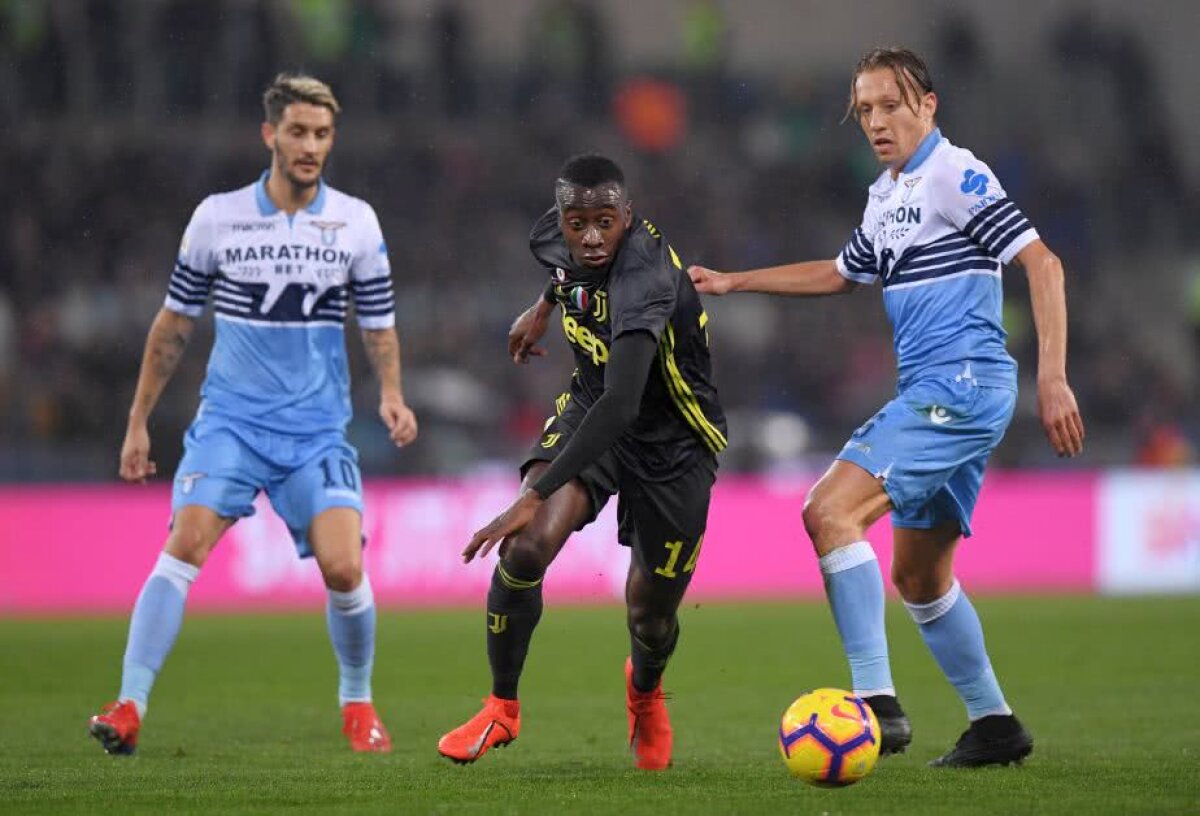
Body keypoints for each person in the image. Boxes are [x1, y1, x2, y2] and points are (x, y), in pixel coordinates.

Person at [689, 47, 1084, 768]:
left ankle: (874, 704)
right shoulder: (887, 194)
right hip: (944, 395)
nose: (875, 121)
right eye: (864, 109)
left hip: (959, 387)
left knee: (827, 511)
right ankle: (995, 724)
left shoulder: (955, 174)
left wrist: (1052, 378)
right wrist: (735, 281)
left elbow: (1043, 263)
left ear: (927, 105)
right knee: (921, 579)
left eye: (890, 105)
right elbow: (842, 275)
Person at [87, 73, 418, 756]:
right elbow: (174, 324)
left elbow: (379, 324)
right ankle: (128, 704)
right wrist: (137, 420)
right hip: (231, 426)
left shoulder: (355, 222)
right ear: (270, 135)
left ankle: (357, 705)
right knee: (185, 546)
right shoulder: (218, 217)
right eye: (297, 131)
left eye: (322, 134)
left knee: (344, 570)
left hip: (316, 432)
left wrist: (391, 391)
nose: (310, 145)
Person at [437, 154, 727, 771]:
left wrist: (531, 494)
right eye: (578, 222)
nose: (590, 237)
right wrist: (542, 307)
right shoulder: (559, 235)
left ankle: (645, 692)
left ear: (628, 215)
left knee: (650, 616)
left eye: (604, 222)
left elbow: (625, 405)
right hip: (589, 405)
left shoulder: (643, 278)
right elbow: (563, 270)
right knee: (524, 549)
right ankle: (501, 707)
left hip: (673, 440)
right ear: (562, 217)